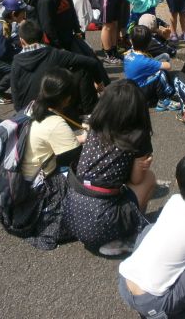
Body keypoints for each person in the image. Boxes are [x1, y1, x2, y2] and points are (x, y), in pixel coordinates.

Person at [118, 151, 185, 319]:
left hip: (125, 284)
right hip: (154, 303)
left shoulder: (174, 200)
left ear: (177, 181)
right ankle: (175, 314)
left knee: (150, 229)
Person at [63, 79, 157, 256]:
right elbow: (137, 180)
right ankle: (130, 235)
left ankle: (117, 229)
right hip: (101, 223)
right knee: (149, 178)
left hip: (72, 214)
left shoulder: (96, 127)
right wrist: (143, 165)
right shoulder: (138, 135)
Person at [5, 68, 85, 250]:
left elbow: (45, 140)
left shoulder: (32, 108)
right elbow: (74, 160)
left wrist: (77, 138)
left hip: (18, 180)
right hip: (38, 188)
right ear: (67, 98)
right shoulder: (56, 123)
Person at [11, 20, 109, 115]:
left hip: (28, 114)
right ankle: (89, 112)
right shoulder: (54, 54)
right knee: (82, 69)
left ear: (22, 41)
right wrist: (99, 83)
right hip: (55, 111)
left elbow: (15, 95)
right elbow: (92, 62)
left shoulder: (16, 62)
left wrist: (22, 115)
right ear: (43, 37)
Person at [124, 25, 181, 112]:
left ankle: (156, 95)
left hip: (133, 86)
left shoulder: (128, 53)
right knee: (160, 73)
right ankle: (164, 101)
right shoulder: (144, 61)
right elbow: (168, 66)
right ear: (148, 43)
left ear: (131, 41)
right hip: (140, 92)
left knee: (164, 56)